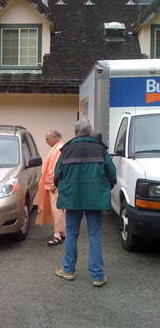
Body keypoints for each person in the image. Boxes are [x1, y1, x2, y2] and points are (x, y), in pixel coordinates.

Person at [54, 118, 116, 286]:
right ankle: (97, 276)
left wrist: (67, 189)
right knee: (94, 236)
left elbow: (57, 175)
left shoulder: (66, 150)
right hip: (95, 198)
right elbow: (112, 174)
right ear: (90, 132)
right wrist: (103, 188)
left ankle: (67, 270)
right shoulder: (100, 149)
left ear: (75, 133)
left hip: (72, 198)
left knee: (72, 233)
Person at [34, 130, 66, 246]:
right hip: (52, 183)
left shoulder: (59, 149)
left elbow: (57, 168)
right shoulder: (57, 148)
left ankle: (57, 234)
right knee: (57, 208)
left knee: (56, 208)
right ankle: (62, 232)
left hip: (55, 184)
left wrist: (54, 183)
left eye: (47, 139)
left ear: (54, 137)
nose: (46, 142)